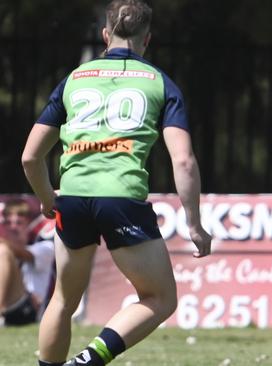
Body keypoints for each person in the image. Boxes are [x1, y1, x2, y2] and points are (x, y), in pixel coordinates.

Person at [21, 1, 212, 365]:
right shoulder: (160, 83)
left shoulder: (74, 79)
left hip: (73, 198)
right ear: (148, 39)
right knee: (160, 299)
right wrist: (194, 223)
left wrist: (48, 200)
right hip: (121, 199)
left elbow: (30, 157)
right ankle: (90, 359)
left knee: (62, 299)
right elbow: (183, 159)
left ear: (105, 35)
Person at [0, 198, 55, 326]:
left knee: (3, 252)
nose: (13, 227)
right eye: (8, 223)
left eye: (19, 222)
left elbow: (17, 252)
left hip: (29, 309)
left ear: (28, 224)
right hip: (11, 306)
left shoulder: (44, 248)